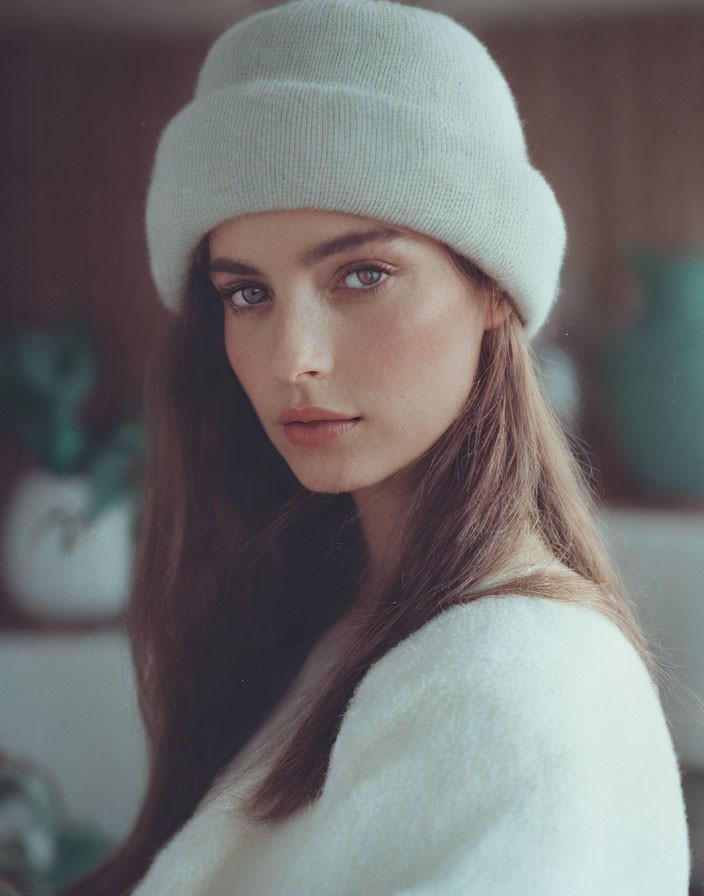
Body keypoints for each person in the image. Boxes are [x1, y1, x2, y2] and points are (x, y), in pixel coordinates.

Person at [63, 0, 691, 893]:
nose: (293, 359)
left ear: (493, 293)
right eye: (247, 294)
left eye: (363, 275)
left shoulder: (529, 693)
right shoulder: (348, 617)